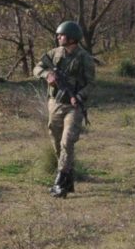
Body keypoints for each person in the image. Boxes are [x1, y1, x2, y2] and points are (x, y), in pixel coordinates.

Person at [33, 20, 95, 198]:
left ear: (72, 38)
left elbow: (92, 83)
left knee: (67, 142)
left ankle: (59, 183)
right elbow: (37, 67)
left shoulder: (84, 58)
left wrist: (80, 96)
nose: (58, 37)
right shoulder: (54, 53)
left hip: (74, 107)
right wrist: (47, 75)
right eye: (58, 35)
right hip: (55, 103)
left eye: (62, 35)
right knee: (56, 140)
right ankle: (68, 178)